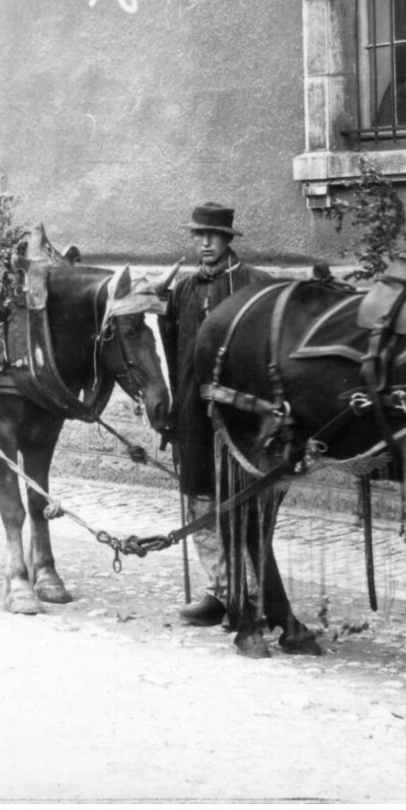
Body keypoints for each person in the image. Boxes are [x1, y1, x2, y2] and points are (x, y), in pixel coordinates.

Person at [156, 203, 273, 627]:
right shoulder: (184, 292)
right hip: (192, 411)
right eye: (198, 235)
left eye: (213, 235)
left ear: (228, 239)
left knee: (243, 499)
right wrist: (172, 409)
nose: (204, 243)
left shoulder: (254, 284)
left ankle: (256, 592)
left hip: (240, 414)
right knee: (201, 495)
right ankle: (220, 590)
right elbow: (171, 354)